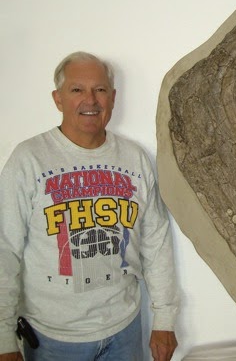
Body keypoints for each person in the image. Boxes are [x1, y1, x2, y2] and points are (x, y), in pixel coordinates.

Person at [0, 52, 179, 361]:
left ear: (113, 97)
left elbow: (157, 242)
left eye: (100, 89)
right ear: (58, 99)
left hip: (125, 330)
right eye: (77, 89)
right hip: (53, 339)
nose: (90, 100)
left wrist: (164, 318)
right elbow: (5, 249)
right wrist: (3, 339)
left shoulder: (134, 159)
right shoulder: (28, 159)